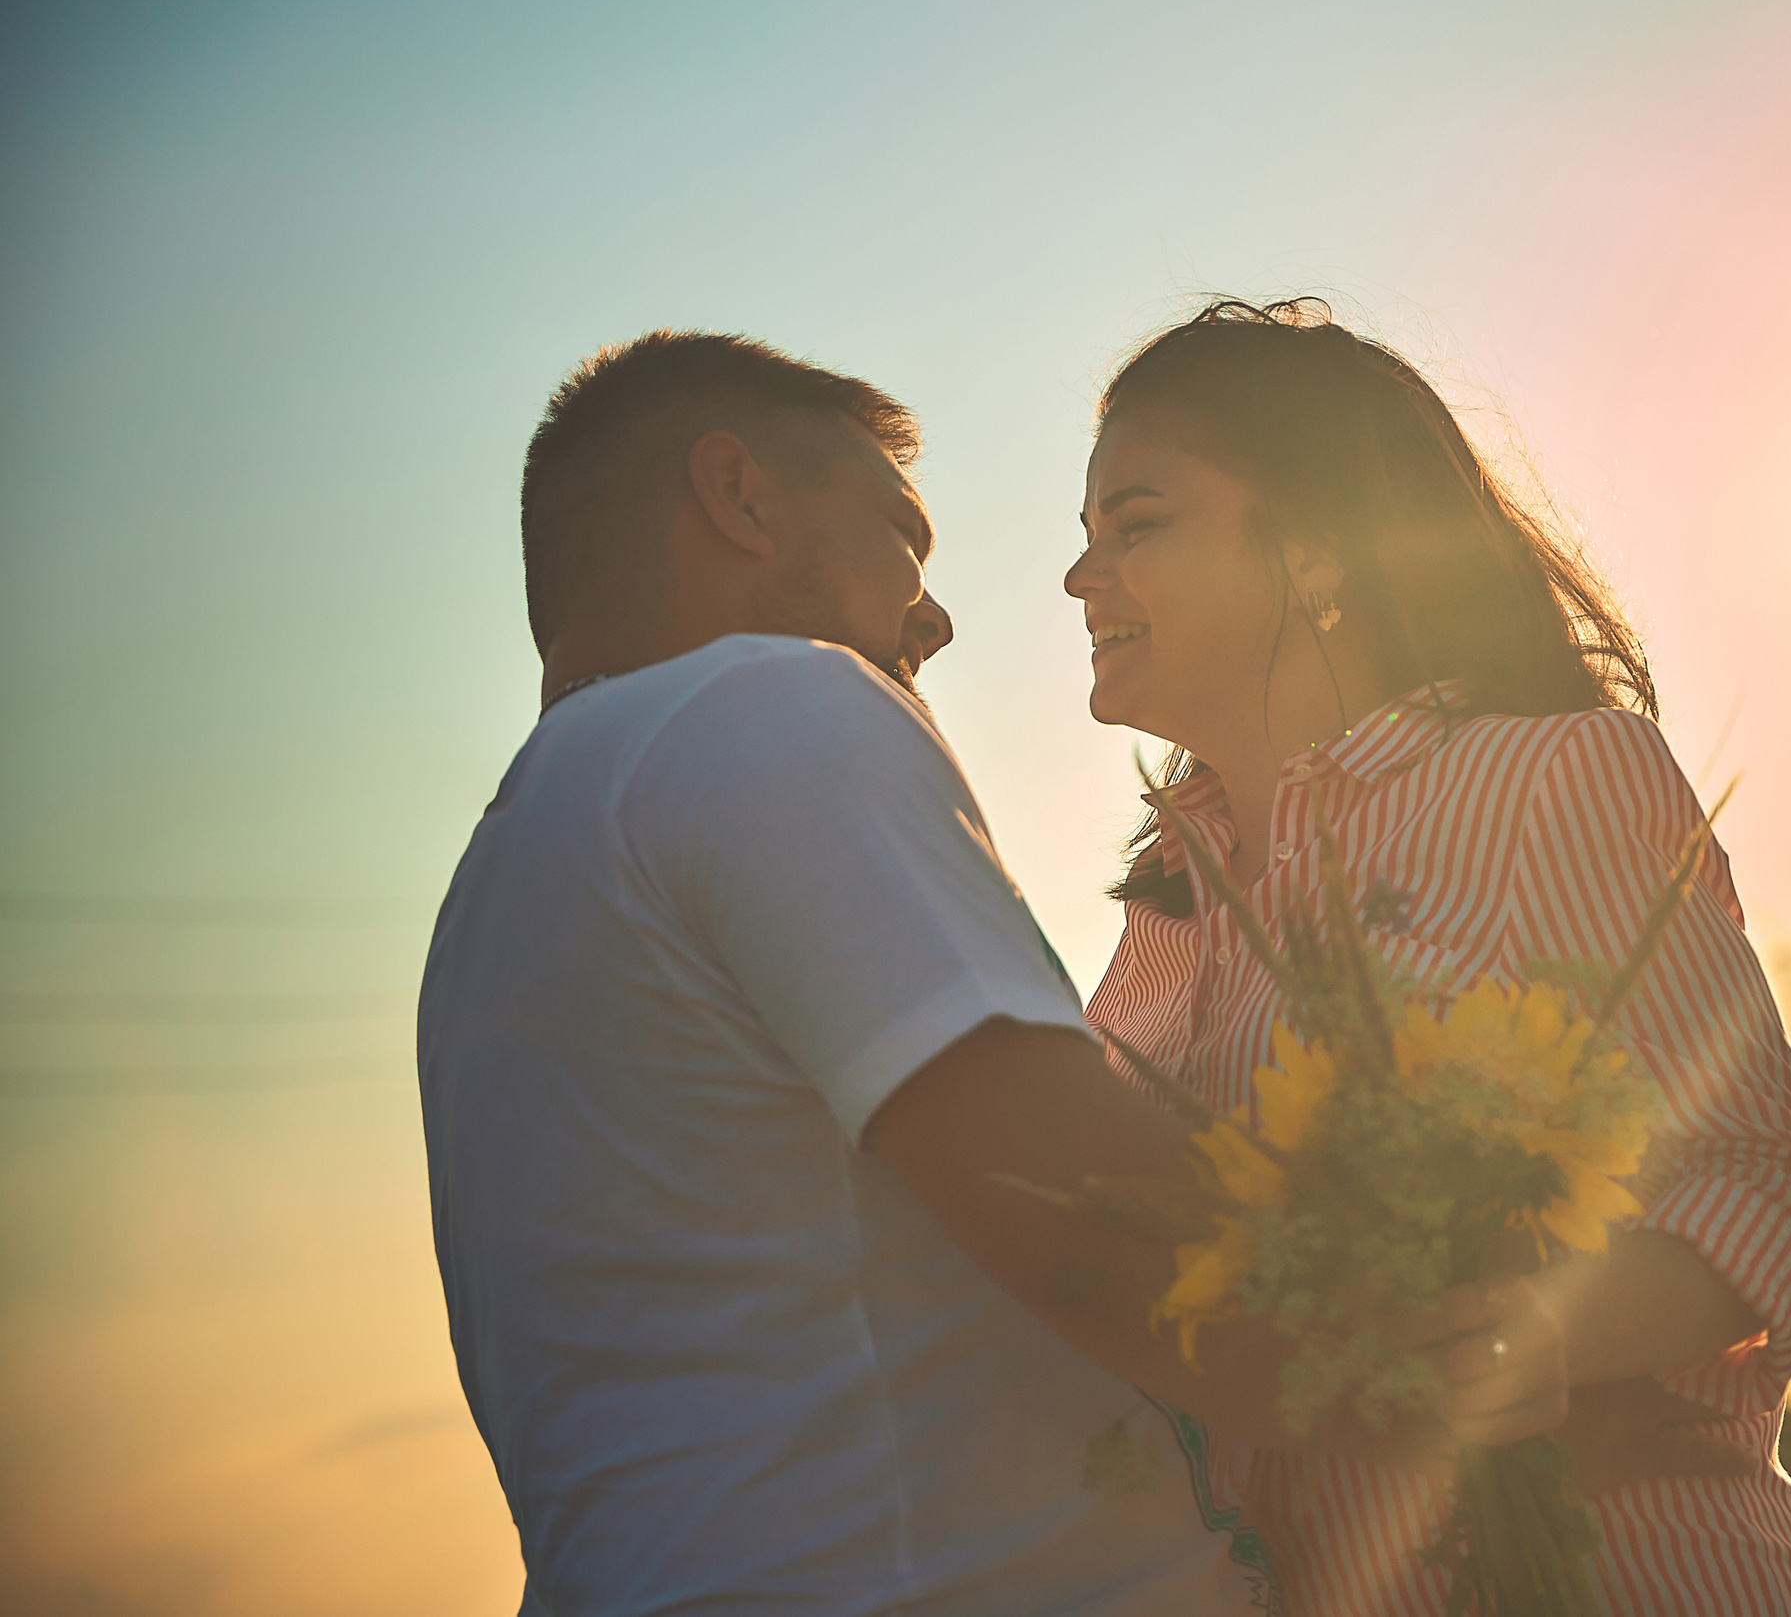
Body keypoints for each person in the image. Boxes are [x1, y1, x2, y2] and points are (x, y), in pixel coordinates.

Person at [419, 330, 1550, 1617]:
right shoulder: (761, 708)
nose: (936, 618)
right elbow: (1088, 1226)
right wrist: (1451, 1347)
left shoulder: (501, 893)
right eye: (902, 534)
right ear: (738, 497)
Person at [1067, 299, 1791, 1615]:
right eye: (1084, 539)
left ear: (1315, 547)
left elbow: (1767, 1181)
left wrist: (1534, 1329)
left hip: (1633, 1572)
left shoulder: (1552, 775)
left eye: (1134, 525)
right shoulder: (1158, 923)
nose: (1082, 577)